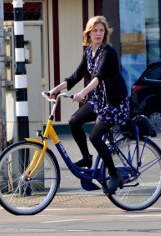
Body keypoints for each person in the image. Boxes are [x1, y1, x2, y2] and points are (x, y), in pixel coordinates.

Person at [48, 16, 130, 194]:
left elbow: (99, 77)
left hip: (114, 104)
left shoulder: (108, 52)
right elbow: (75, 77)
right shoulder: (88, 53)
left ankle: (114, 173)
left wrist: (83, 93)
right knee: (73, 121)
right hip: (99, 101)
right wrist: (55, 89)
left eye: (101, 31)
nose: (98, 34)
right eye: (95, 31)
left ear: (105, 33)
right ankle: (86, 158)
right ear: (89, 33)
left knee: (94, 136)